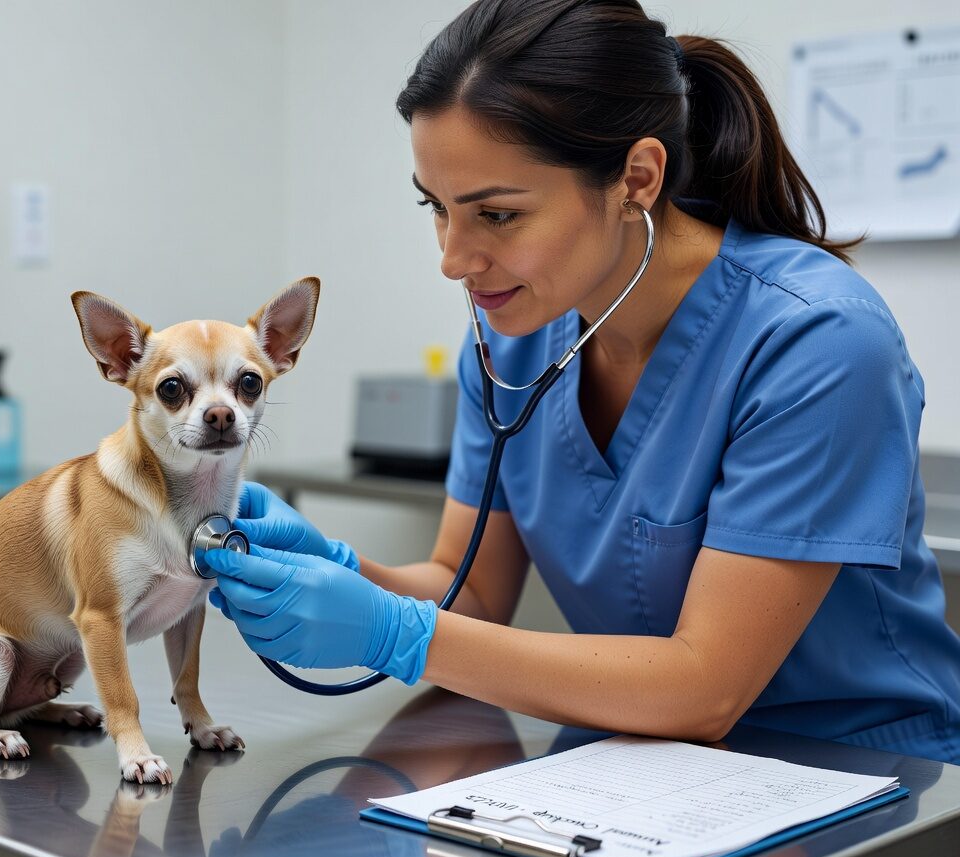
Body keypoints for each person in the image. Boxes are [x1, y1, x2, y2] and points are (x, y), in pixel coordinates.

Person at [203, 0, 960, 765]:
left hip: (860, 777)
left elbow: (707, 688)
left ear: (636, 178)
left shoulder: (819, 341)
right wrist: (338, 569)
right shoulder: (515, 345)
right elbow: (471, 593)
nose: (452, 259)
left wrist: (393, 633)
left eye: (496, 214)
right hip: (635, 768)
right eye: (437, 208)